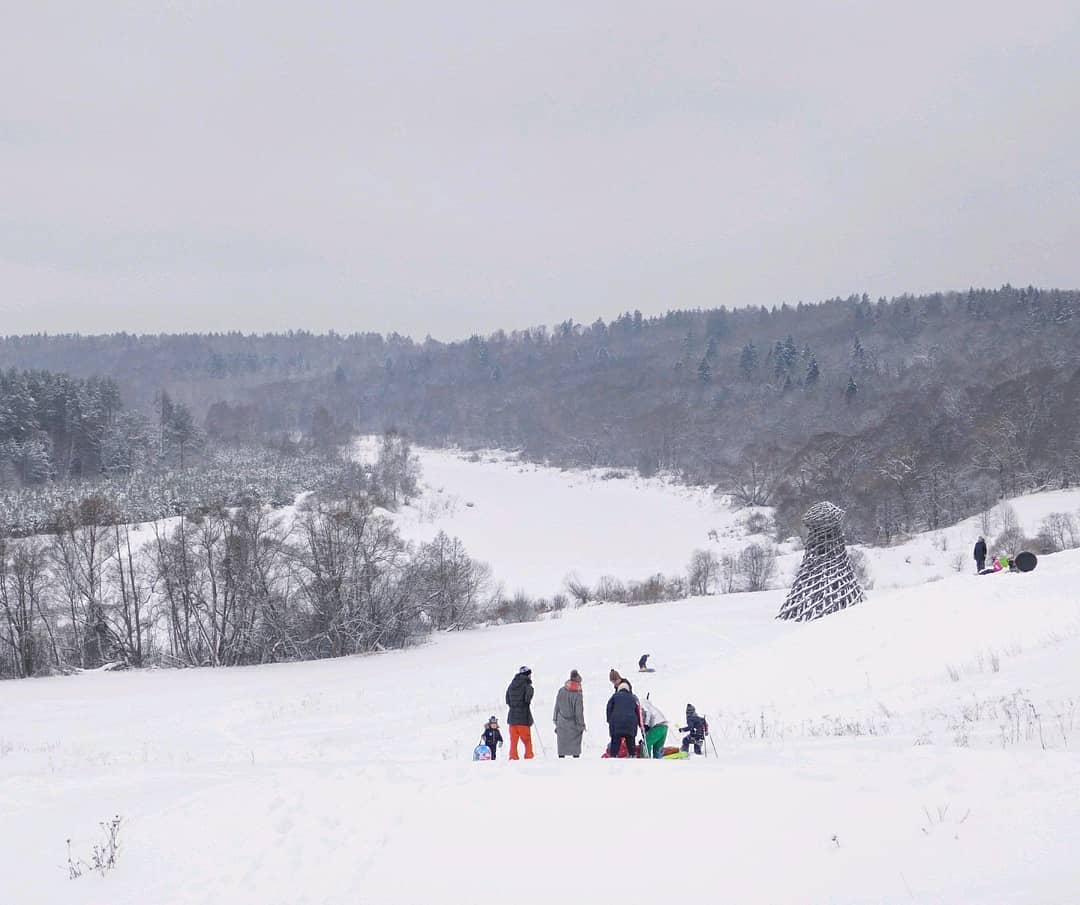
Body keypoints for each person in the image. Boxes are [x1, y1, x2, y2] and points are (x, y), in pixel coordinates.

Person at [553, 669, 586, 758]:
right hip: (573, 724)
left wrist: (555, 719)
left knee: (562, 746)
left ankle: (561, 761)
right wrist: (581, 725)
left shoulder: (561, 690)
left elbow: (557, 707)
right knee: (575, 748)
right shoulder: (578, 694)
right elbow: (579, 712)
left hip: (561, 722)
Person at [606, 675, 640, 758]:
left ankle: (613, 756)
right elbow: (637, 712)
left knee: (615, 742)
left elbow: (609, 708)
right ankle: (632, 755)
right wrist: (637, 724)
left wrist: (610, 720)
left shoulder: (614, 696)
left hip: (617, 724)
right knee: (630, 741)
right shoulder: (633, 698)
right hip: (630, 724)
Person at [505, 666, 535, 760]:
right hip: (523, 718)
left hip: (512, 717)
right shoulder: (527, 685)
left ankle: (513, 757)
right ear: (527, 675)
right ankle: (529, 756)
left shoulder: (511, 684)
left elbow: (507, 700)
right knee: (526, 740)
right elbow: (527, 699)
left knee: (513, 740)